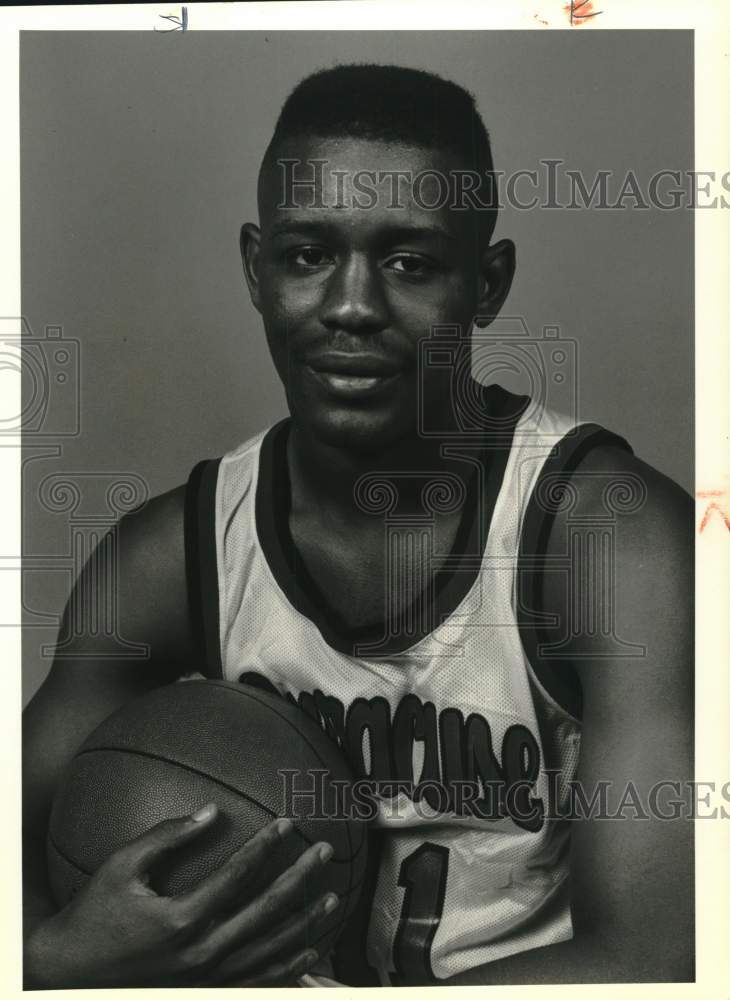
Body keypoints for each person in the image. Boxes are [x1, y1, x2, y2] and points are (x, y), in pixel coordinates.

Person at [22, 64, 693, 987]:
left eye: (409, 263)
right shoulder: (165, 557)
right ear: (256, 269)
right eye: (307, 256)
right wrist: (59, 959)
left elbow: (659, 959)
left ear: (486, 283)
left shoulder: (606, 537)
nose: (351, 307)